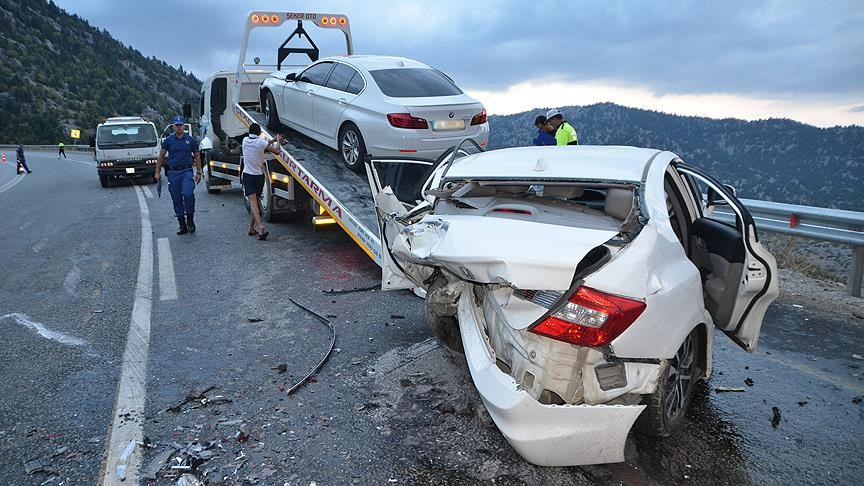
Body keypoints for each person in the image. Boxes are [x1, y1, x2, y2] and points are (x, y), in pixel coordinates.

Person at [155, 116, 202, 235]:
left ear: (184, 126)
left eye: (180, 125)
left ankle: (190, 220)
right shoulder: (169, 140)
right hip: (173, 173)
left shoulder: (190, 140)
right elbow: (161, 156)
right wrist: (157, 172)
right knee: (176, 198)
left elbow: (197, 156)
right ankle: (182, 224)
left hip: (186, 171)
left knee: (188, 194)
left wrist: (199, 172)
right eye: (177, 125)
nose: (179, 127)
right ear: (173, 126)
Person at [241, 123, 283, 240]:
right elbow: (277, 151)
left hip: (248, 175)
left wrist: (274, 139)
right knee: (256, 202)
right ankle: (252, 228)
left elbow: (262, 144)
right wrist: (278, 141)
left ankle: (260, 227)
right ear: (259, 133)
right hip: (259, 176)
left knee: (253, 203)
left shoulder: (245, 140)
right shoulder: (261, 143)